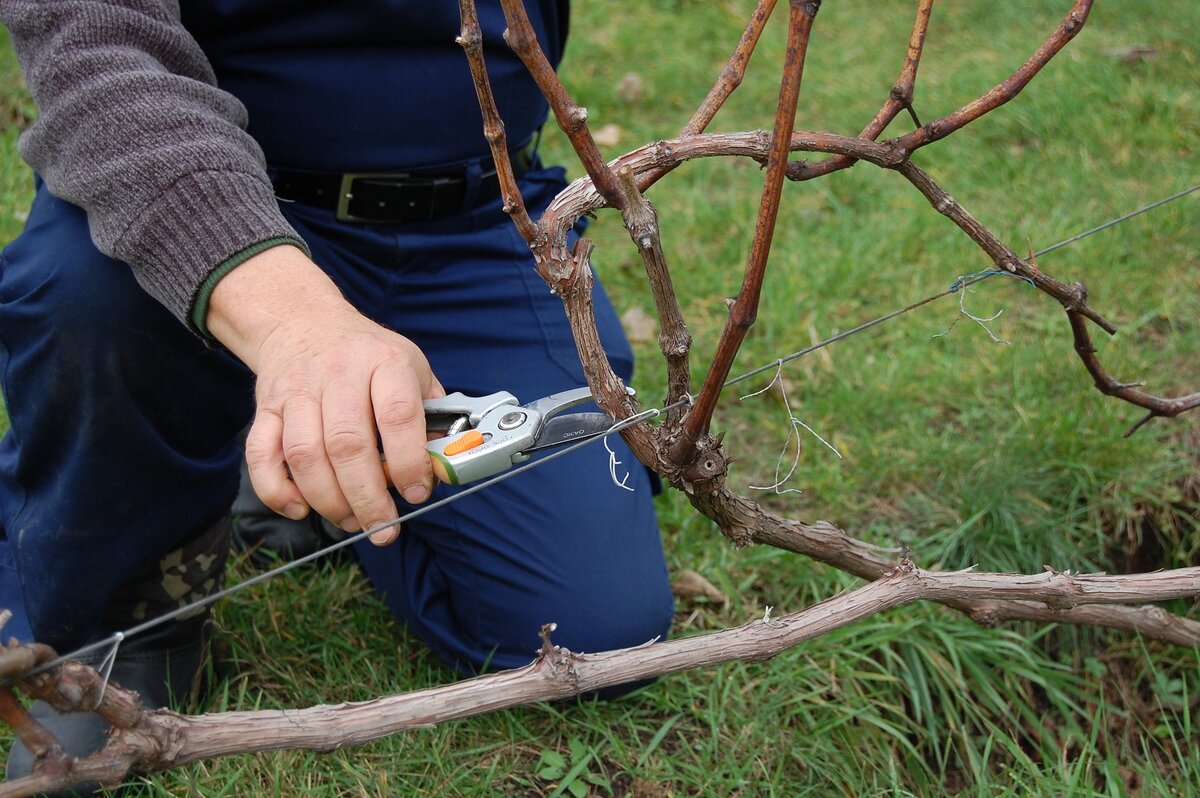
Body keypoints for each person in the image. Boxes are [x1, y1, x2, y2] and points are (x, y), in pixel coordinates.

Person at [0, 1, 674, 791]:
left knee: (598, 637)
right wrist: (293, 322)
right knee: (87, 299)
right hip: (186, 197)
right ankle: (125, 614)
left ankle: (303, 459)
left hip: (476, 221)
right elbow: (97, 57)